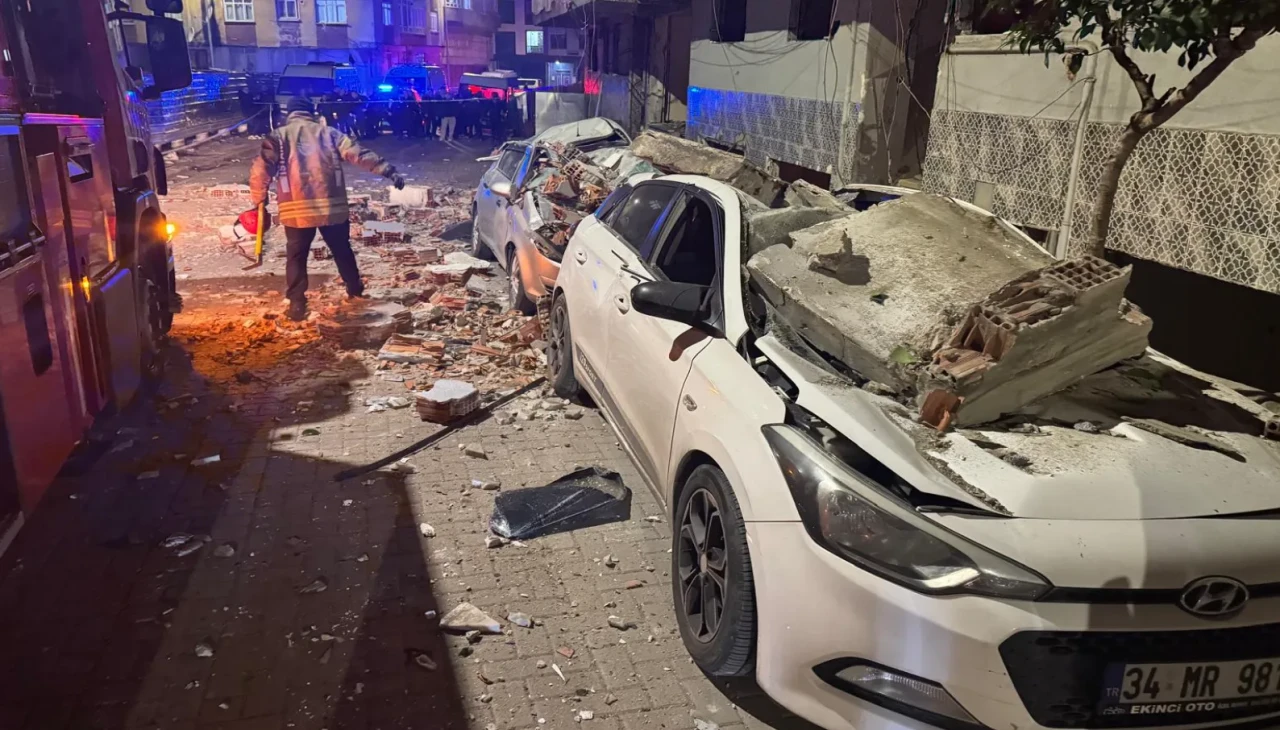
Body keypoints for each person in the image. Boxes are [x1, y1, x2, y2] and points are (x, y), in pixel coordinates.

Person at [250, 96, 407, 321]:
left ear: (288, 114)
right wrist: (388, 170)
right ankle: (355, 291)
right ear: (312, 112)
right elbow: (358, 154)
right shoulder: (329, 134)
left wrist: (259, 199)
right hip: (331, 207)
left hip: (296, 210)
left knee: (296, 256)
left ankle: (297, 304)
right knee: (342, 250)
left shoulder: (278, 137)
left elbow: (261, 170)